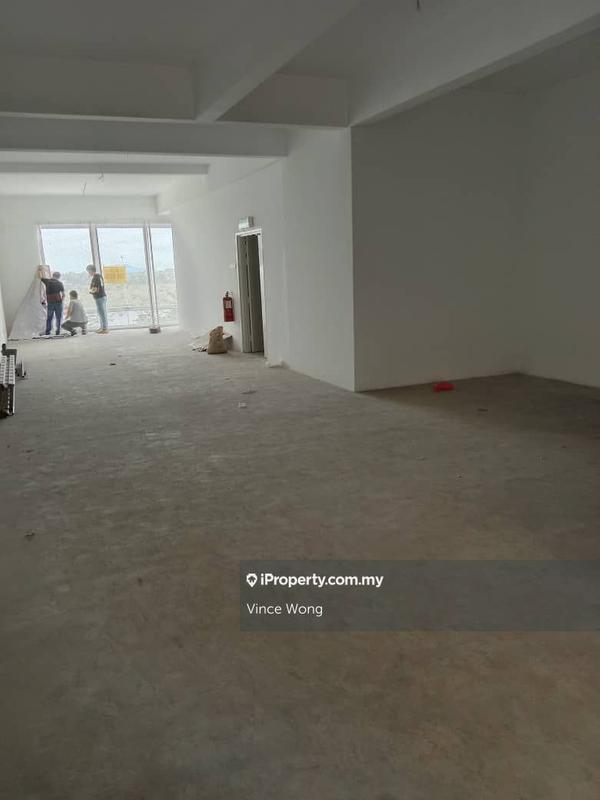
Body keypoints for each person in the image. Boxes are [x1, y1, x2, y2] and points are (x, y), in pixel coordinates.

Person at [40, 270, 65, 336]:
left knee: (49, 317)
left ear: (53, 275)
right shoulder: (60, 283)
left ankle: (48, 331)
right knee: (58, 317)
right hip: (58, 302)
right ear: (59, 277)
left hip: (50, 302)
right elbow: (63, 294)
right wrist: (61, 301)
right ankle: (58, 331)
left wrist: (40, 270)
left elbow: (40, 277)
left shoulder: (47, 281)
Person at [86, 264, 108, 333]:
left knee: (102, 313)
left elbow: (96, 288)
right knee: (101, 313)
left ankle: (105, 328)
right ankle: (102, 327)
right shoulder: (98, 276)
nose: (88, 273)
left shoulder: (96, 277)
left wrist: (91, 291)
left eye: (88, 271)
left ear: (91, 270)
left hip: (100, 297)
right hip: (101, 297)